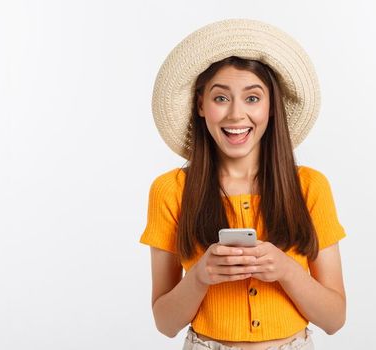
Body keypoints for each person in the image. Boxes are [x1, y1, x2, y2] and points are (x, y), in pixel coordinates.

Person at [140, 19, 347, 350]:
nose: (236, 115)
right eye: (221, 98)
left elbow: (335, 319)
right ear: (201, 106)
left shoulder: (310, 187)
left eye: (252, 98)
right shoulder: (171, 191)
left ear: (271, 106)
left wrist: (287, 270)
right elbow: (165, 323)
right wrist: (200, 275)